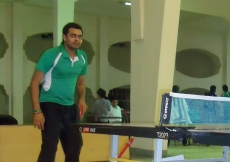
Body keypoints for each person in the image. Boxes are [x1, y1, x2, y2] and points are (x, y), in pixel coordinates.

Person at [30, 22, 88, 162]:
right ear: (64, 37)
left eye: (79, 37)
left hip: (69, 106)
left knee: (75, 145)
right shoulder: (51, 55)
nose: (77, 39)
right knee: (50, 145)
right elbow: (34, 82)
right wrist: (37, 111)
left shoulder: (82, 57)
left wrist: (82, 99)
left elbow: (80, 82)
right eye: (73, 36)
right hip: (50, 104)